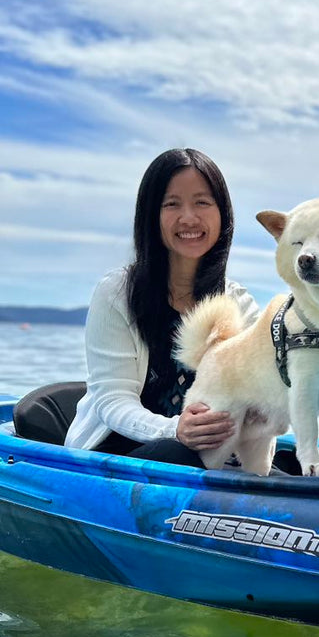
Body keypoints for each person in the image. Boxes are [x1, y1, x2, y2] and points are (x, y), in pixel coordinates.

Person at [64, 148, 259, 466]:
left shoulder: (237, 302)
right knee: (176, 453)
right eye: (172, 204)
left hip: (207, 450)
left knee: (286, 469)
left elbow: (267, 383)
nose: (189, 218)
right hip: (116, 453)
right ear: (151, 215)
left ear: (222, 212)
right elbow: (113, 400)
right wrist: (175, 430)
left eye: (202, 202)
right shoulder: (116, 293)